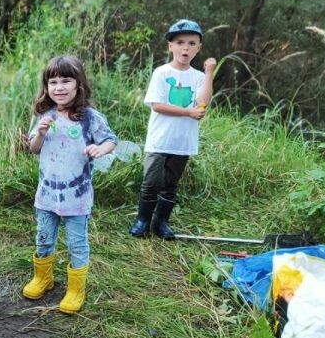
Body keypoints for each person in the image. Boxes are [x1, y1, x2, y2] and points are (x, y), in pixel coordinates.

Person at [23, 56, 118, 314]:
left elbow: (111, 140)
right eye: (53, 82)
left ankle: (76, 289)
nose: (59, 87)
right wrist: (40, 134)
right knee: (43, 239)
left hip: (77, 197)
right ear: (46, 87)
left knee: (77, 243)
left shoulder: (89, 118)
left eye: (66, 80)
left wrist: (100, 148)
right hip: (47, 196)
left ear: (79, 84)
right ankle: (43, 277)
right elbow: (33, 149)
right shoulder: (46, 115)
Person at [128, 19, 216, 240]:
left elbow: (203, 103)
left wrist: (209, 73)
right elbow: (157, 105)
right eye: (179, 42)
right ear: (170, 46)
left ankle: (162, 223)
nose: (185, 47)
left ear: (199, 48)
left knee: (170, 185)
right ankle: (142, 221)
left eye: (191, 43)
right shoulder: (162, 72)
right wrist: (188, 112)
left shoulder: (198, 78)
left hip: (183, 141)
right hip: (159, 139)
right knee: (151, 182)